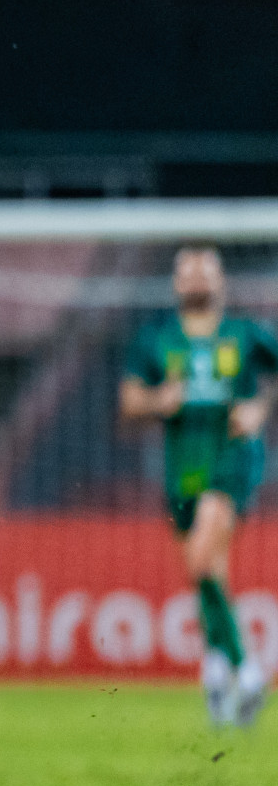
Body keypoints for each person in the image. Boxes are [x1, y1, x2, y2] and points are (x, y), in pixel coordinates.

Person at [120, 245, 275, 727]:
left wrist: (260, 408)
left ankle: (248, 671)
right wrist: (156, 400)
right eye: (187, 274)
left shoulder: (246, 335)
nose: (196, 281)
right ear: (175, 285)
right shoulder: (157, 340)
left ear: (221, 282)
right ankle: (215, 666)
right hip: (181, 467)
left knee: (204, 554)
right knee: (205, 567)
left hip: (232, 456)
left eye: (205, 272)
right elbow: (128, 402)